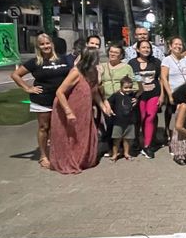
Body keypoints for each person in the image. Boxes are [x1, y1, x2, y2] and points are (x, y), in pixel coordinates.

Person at [11, 33, 71, 170]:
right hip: (42, 100)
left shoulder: (63, 59)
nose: (45, 46)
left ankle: (60, 152)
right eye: (42, 44)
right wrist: (27, 88)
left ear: (52, 44)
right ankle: (43, 155)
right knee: (44, 127)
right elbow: (15, 75)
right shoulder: (35, 62)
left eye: (47, 43)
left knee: (60, 127)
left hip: (61, 100)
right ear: (38, 47)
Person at [50, 48, 113, 174]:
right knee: (71, 135)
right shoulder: (76, 72)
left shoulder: (94, 71)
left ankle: (81, 159)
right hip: (70, 107)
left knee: (83, 134)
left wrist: (103, 107)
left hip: (84, 108)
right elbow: (60, 92)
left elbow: (94, 92)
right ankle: (70, 160)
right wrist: (68, 111)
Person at [128, 40, 162, 158]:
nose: (146, 49)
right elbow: (129, 80)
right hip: (139, 95)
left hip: (154, 93)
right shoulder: (132, 63)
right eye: (143, 47)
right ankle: (136, 142)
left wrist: (162, 95)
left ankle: (147, 146)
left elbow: (161, 79)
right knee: (140, 118)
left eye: (148, 47)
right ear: (138, 49)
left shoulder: (156, 62)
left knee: (150, 117)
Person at [161, 37, 186, 142]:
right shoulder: (167, 60)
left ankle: (184, 135)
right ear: (170, 46)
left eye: (180, 44)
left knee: (185, 114)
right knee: (171, 113)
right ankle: (168, 133)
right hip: (174, 91)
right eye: (176, 44)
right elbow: (164, 78)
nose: (178, 46)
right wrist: (169, 94)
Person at [107, 76, 138, 162]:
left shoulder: (133, 95)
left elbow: (139, 95)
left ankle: (126, 153)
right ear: (121, 87)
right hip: (118, 122)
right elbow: (108, 102)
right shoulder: (116, 95)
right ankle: (114, 155)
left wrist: (137, 100)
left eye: (130, 87)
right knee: (116, 140)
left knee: (127, 140)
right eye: (126, 88)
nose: (128, 89)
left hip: (129, 121)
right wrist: (110, 109)